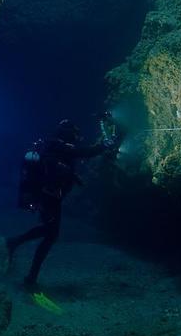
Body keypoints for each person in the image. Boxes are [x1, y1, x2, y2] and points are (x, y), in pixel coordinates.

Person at [7, 118, 115, 288]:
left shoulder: (54, 146)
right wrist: (105, 145)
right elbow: (84, 152)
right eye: (74, 135)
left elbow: (60, 166)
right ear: (68, 134)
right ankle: (26, 268)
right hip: (49, 196)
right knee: (51, 233)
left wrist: (72, 176)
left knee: (50, 233)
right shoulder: (59, 146)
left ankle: (18, 249)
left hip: (48, 196)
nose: (75, 139)